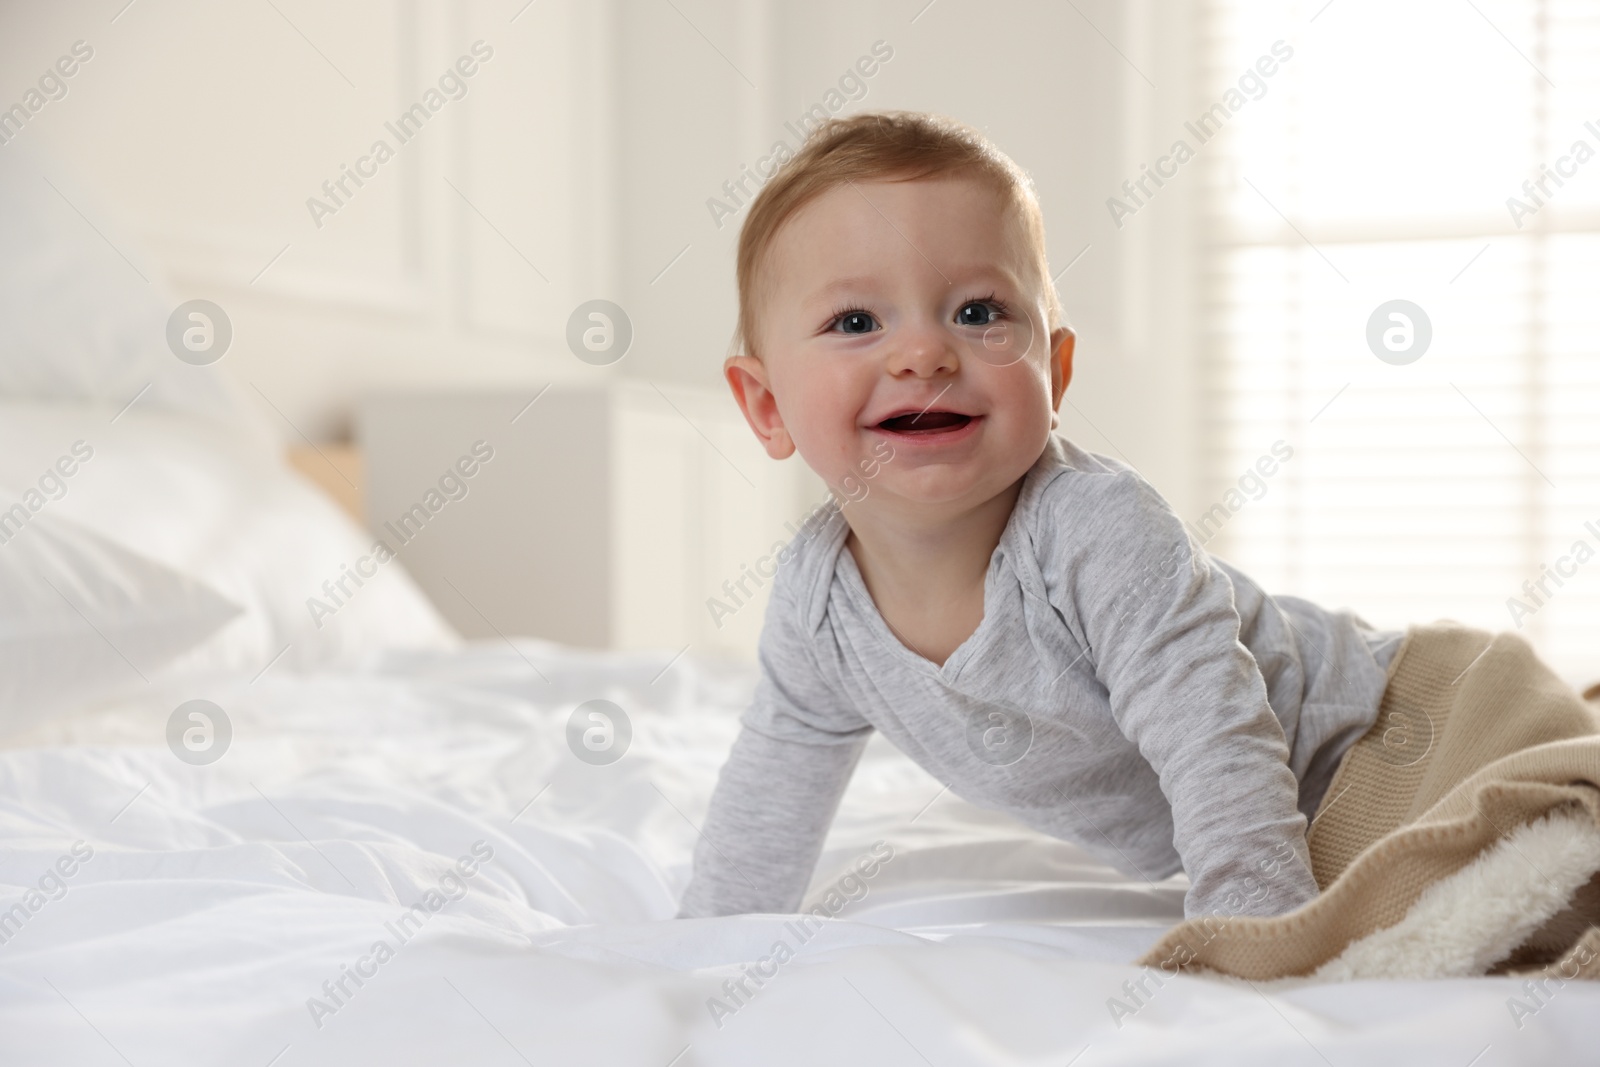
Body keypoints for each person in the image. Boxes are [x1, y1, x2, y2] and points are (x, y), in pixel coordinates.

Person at [677, 111, 1402, 921]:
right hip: (1311, 809)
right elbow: (775, 774)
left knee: (1526, 859)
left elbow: (1212, 733)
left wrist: (1252, 923)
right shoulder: (819, 603)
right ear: (767, 405)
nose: (924, 353)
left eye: (979, 312)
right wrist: (705, 941)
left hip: (1385, 734)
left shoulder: (1093, 528)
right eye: (856, 322)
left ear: (1053, 372)